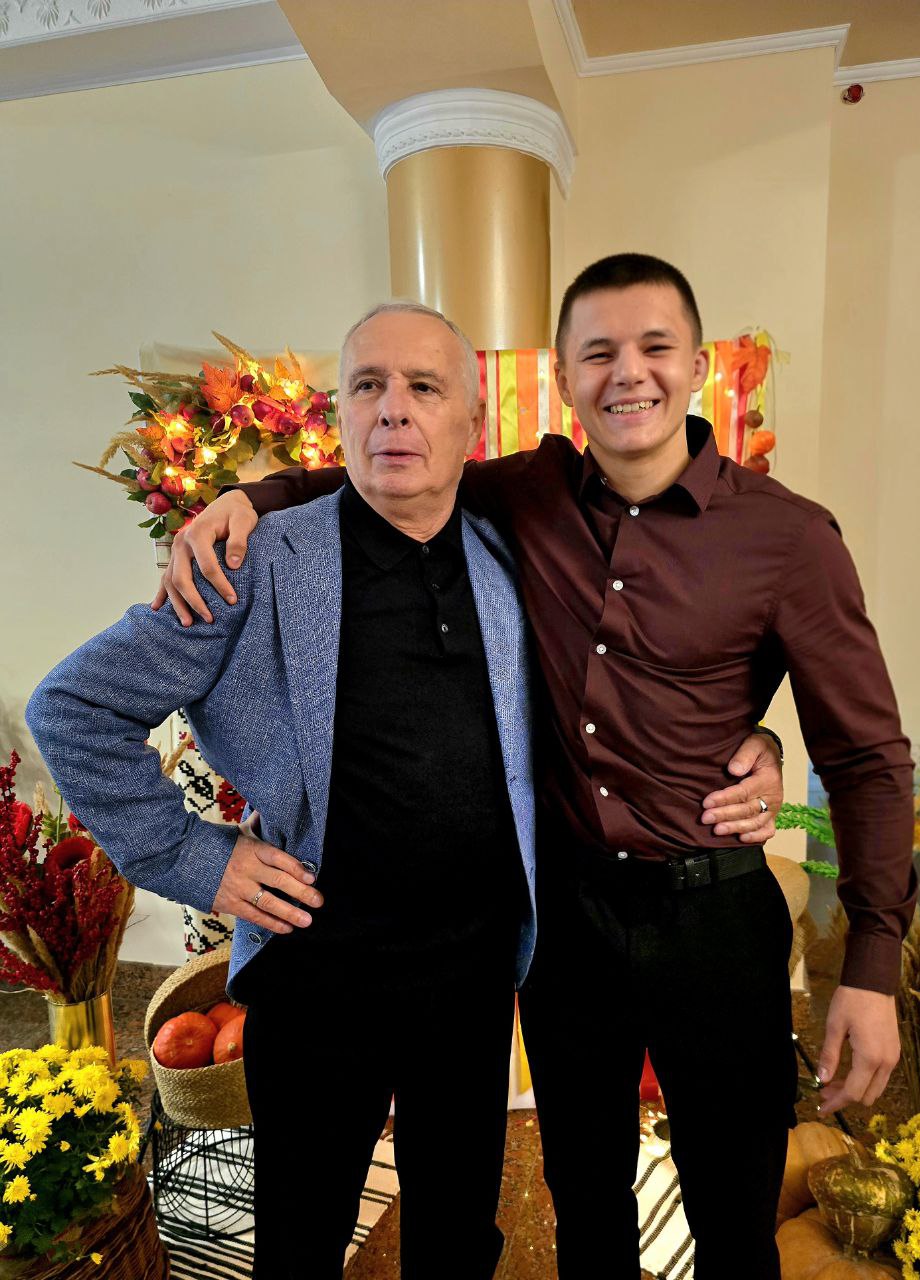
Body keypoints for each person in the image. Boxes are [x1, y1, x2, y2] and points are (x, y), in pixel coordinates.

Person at [157, 256, 912, 1280]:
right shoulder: (527, 494)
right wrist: (251, 496)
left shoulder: (789, 537)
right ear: (564, 376)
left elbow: (867, 756)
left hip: (713, 919)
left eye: (655, 346)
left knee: (736, 1216)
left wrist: (871, 960)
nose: (628, 372)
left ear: (698, 365)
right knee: (586, 1203)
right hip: (567, 926)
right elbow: (388, 475)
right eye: (599, 352)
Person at [28, 302, 544, 1280]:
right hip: (320, 973)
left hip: (472, 977)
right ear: (342, 414)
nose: (393, 408)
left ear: (471, 425)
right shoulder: (256, 559)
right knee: (301, 1244)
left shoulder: (507, 561)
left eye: (423, 386)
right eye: (367, 385)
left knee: (457, 1238)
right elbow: (75, 707)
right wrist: (195, 856)